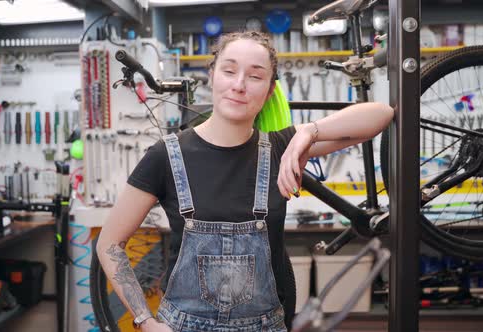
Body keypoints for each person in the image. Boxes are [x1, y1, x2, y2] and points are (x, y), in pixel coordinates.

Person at [96, 31, 394, 332]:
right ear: (212, 76)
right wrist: (145, 321)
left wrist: (309, 132)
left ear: (269, 90)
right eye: (229, 70)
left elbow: (381, 115)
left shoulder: (282, 147)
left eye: (255, 76)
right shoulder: (166, 156)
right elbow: (109, 243)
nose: (239, 85)